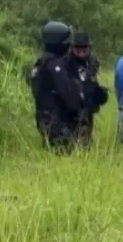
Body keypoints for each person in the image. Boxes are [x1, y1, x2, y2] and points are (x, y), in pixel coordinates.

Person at [29, 21, 84, 153]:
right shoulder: (55, 65)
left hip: (44, 117)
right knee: (64, 155)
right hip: (56, 121)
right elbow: (68, 94)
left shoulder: (41, 62)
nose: (69, 44)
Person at [66, 31, 108, 146]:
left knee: (86, 141)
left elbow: (92, 82)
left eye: (84, 48)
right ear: (72, 47)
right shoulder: (66, 62)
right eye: (77, 48)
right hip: (70, 109)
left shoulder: (92, 61)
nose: (81, 51)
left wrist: (99, 93)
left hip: (88, 108)